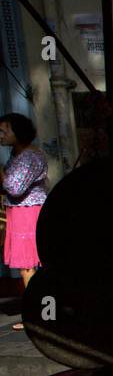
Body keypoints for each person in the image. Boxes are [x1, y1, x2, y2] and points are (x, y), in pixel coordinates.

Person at [1, 113, 49, 330]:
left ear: (18, 132)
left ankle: (36, 316)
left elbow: (14, 187)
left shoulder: (30, 157)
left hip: (28, 212)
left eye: (4, 131)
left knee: (28, 266)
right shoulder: (18, 154)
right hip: (19, 211)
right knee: (27, 268)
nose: (0, 135)